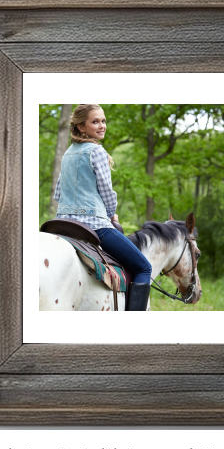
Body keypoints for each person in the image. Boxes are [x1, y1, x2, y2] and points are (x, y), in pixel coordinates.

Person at [54, 104, 152, 311]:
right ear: (81, 127)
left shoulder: (68, 153)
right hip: (94, 225)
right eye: (95, 121)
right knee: (144, 267)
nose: (101, 126)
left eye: (103, 121)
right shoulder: (97, 151)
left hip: (63, 223)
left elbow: (58, 193)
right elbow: (107, 191)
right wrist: (111, 216)